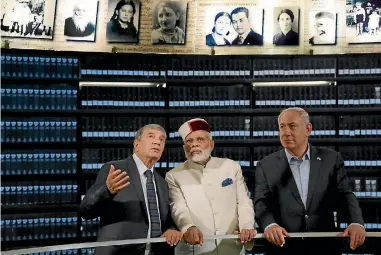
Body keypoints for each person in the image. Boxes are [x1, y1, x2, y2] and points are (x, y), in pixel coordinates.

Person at [254, 107, 366, 255]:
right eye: (282, 127)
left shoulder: (331, 159)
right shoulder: (266, 165)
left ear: (308, 129)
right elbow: (261, 202)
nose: (286, 132)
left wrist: (356, 222)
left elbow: (345, 194)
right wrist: (269, 225)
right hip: (283, 247)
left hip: (323, 247)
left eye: (292, 126)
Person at [80, 124, 182, 255]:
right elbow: (85, 211)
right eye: (151, 136)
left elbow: (165, 221)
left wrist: (171, 228)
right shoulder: (115, 170)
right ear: (137, 144)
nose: (157, 141)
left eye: (162, 139)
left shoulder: (162, 182)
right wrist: (107, 190)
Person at [165, 118, 256, 255]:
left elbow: (243, 202)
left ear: (211, 144)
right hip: (195, 249)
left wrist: (246, 226)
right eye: (189, 141)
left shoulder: (230, 166)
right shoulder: (173, 175)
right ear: (184, 148)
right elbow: (178, 207)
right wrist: (188, 227)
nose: (194, 144)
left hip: (232, 247)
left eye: (200, 139)